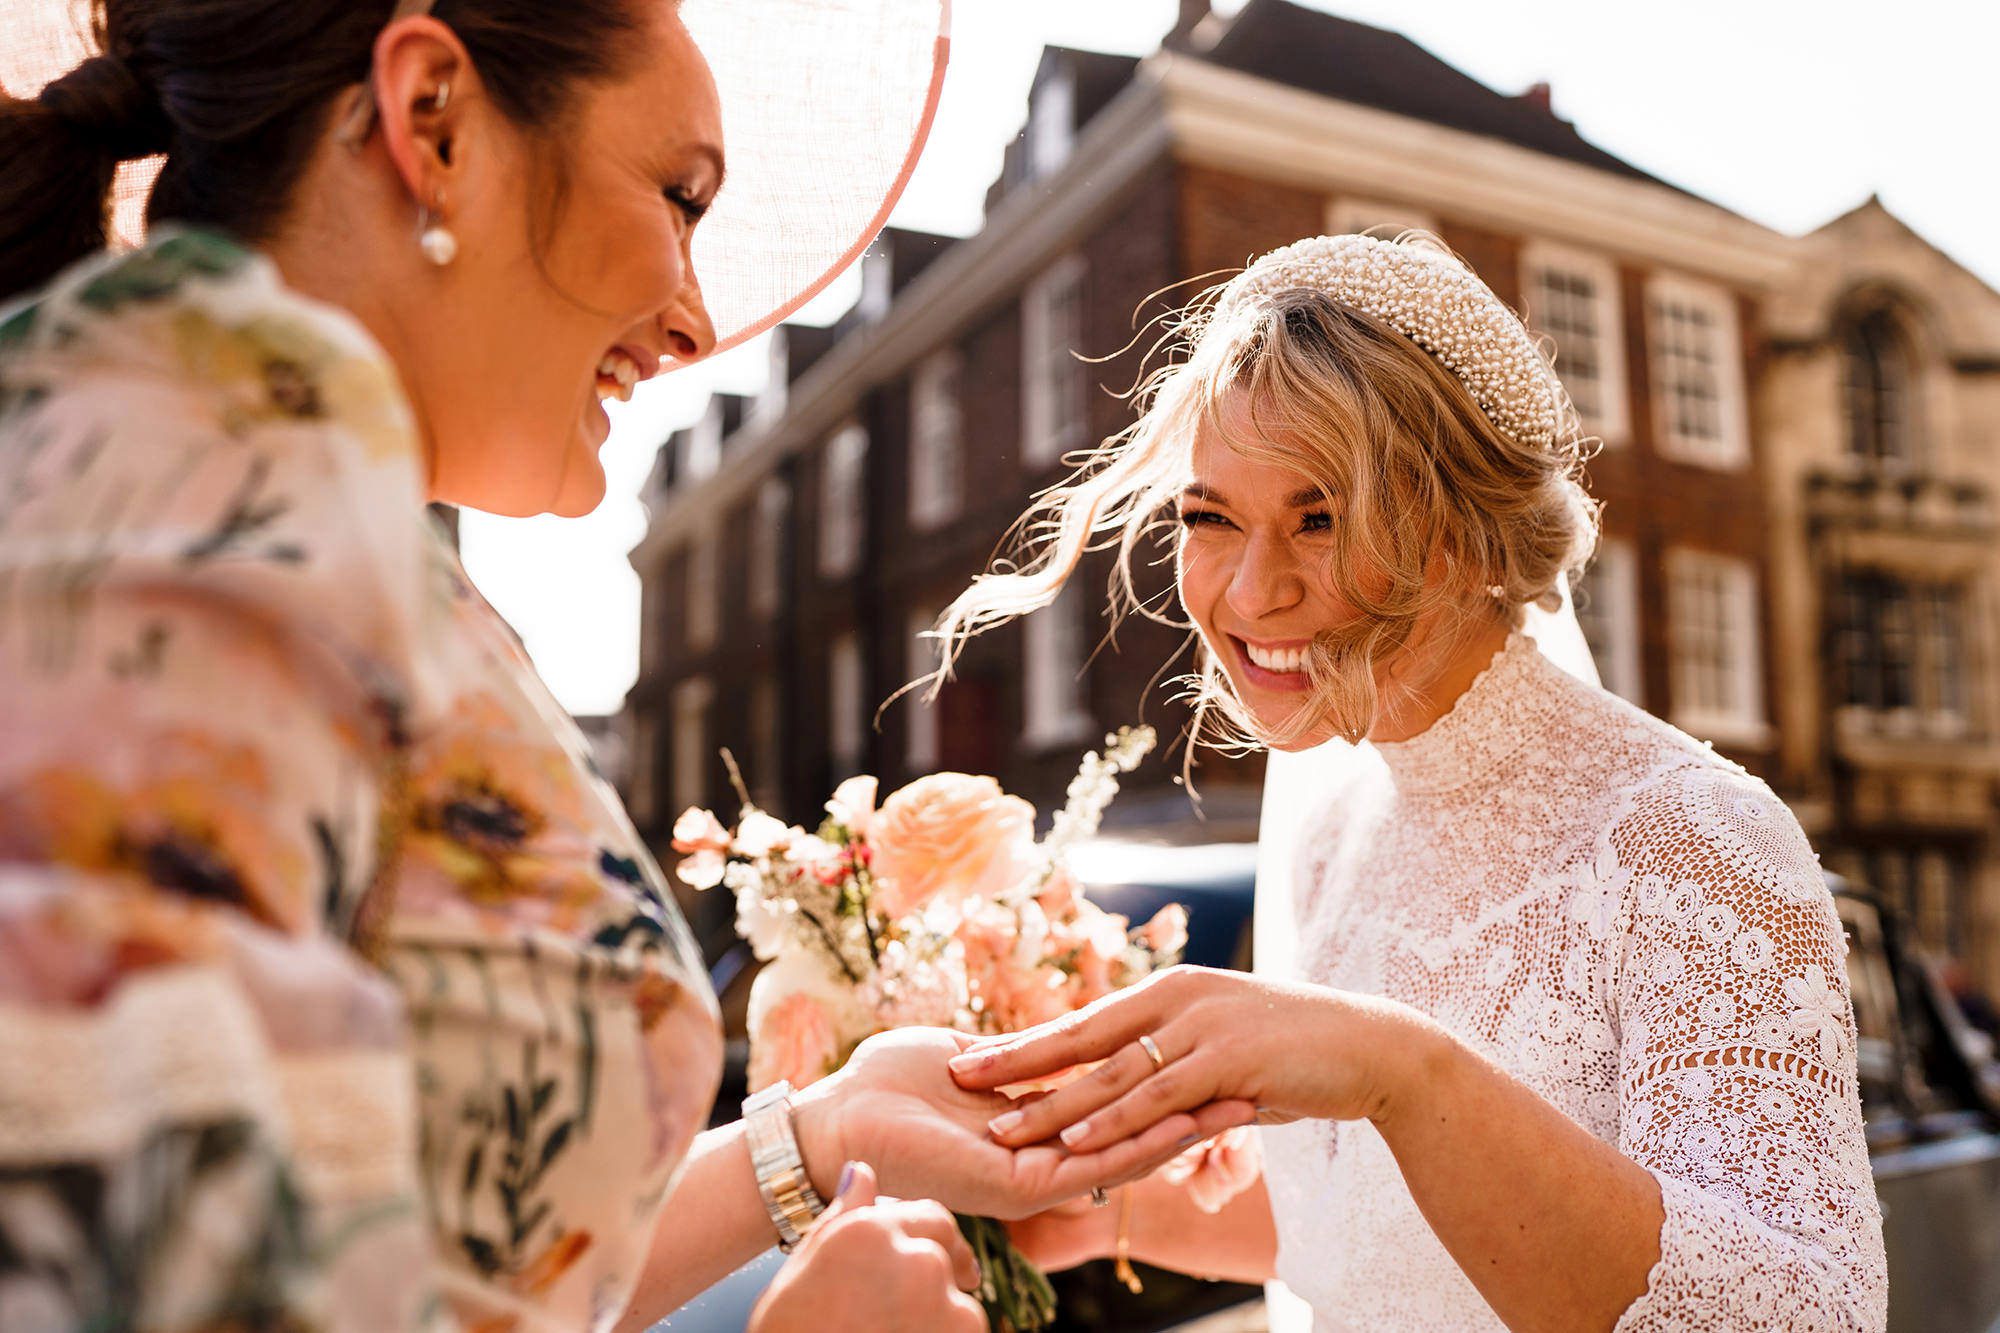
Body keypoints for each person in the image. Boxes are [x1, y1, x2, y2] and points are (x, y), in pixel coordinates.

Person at [0, 3, 1250, 1329]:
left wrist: (819, 1133)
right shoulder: (182, 514)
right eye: (678, 194)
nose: (696, 322)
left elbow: (412, 1241)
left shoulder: (270, 491)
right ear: (433, 121)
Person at [938, 233, 1889, 1331]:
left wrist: (1404, 1070)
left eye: (1321, 519)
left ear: (1469, 532)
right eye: (1209, 517)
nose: (1249, 592)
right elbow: (1374, 1240)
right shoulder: (1329, 832)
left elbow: (1808, 1316)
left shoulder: (1694, 843)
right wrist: (1076, 1210)